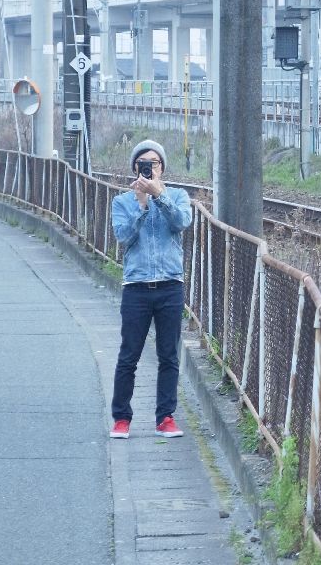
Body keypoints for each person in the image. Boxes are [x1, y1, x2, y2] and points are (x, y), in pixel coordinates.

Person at [109, 139, 193, 440]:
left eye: (154, 163)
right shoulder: (121, 202)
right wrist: (142, 206)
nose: (148, 167)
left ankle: (166, 418)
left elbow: (182, 222)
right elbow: (123, 237)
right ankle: (121, 419)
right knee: (128, 355)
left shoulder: (179, 196)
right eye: (143, 163)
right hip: (136, 287)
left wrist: (160, 198)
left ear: (162, 168)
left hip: (170, 285)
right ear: (135, 167)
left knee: (168, 355)